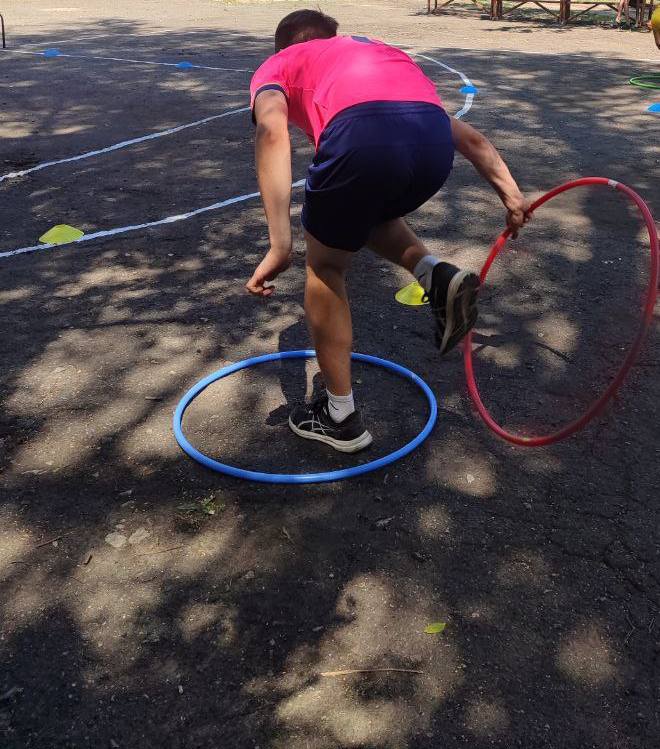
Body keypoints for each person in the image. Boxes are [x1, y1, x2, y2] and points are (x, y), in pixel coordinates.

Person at [246, 9, 528, 453]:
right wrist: (512, 196)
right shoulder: (374, 52)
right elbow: (471, 140)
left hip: (362, 136)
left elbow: (271, 132)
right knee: (362, 209)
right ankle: (435, 274)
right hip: (431, 147)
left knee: (325, 266)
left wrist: (279, 244)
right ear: (333, 36)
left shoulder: (279, 64)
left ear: (284, 47)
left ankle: (340, 417)